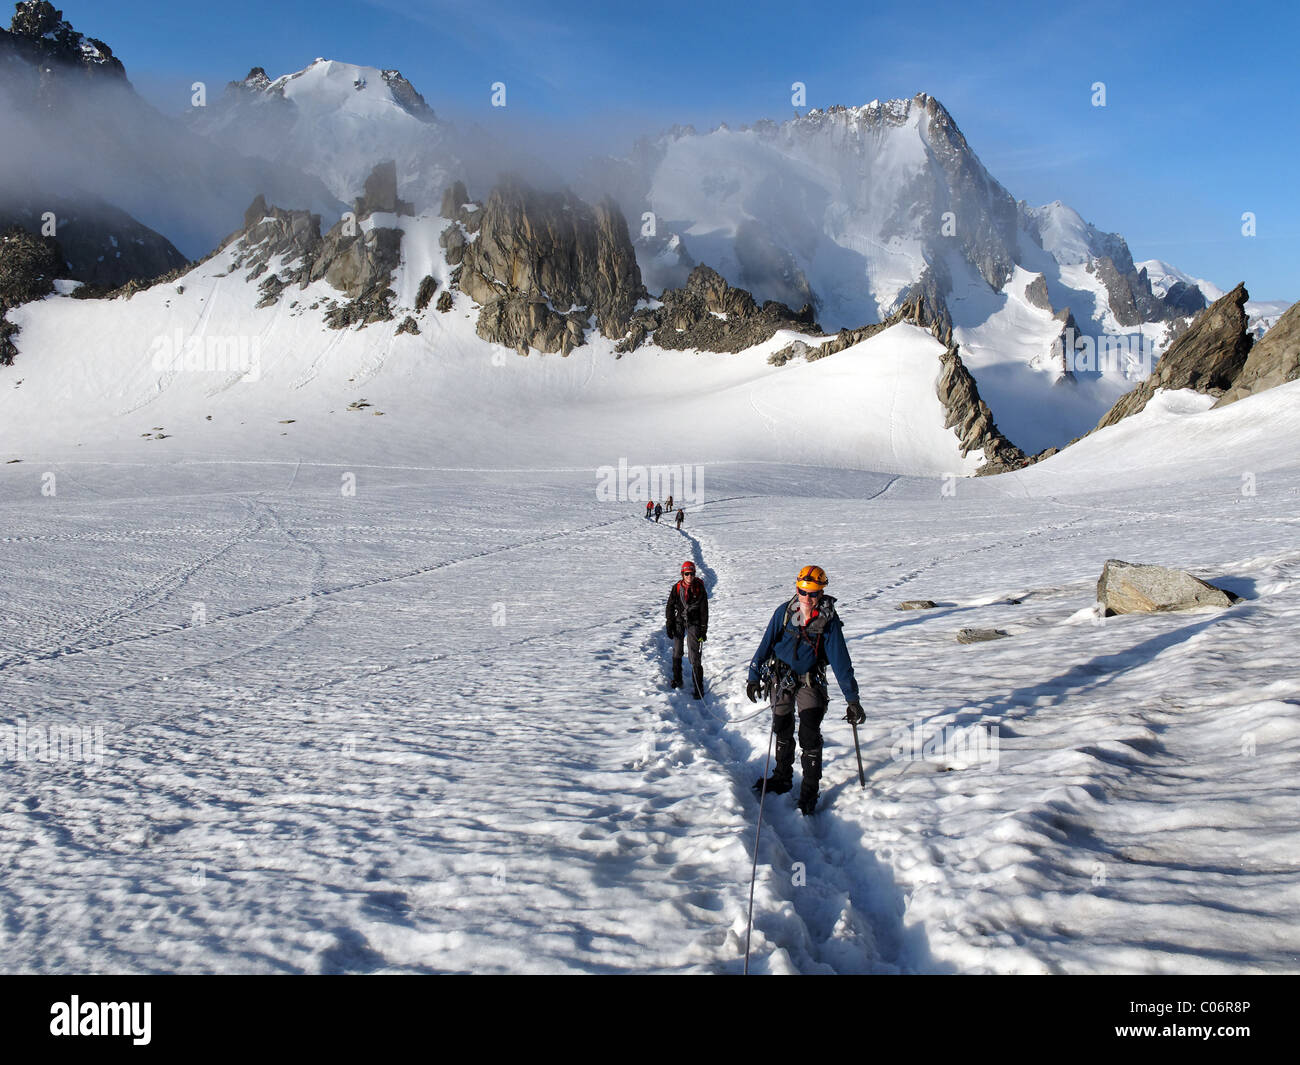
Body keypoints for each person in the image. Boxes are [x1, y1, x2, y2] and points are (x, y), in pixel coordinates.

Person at [745, 565, 865, 815]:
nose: (808, 599)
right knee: (782, 727)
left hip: (811, 680)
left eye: (813, 594)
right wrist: (754, 676)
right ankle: (782, 777)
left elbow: (841, 661)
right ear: (797, 589)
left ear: (822, 593)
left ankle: (809, 792)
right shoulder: (785, 613)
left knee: (809, 733)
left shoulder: (827, 622)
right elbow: (766, 644)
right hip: (781, 677)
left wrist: (852, 699)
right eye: (803, 592)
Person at [665, 560, 708, 698]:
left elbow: (704, 611)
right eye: (687, 574)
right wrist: (669, 623)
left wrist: (703, 630)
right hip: (679, 621)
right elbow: (670, 606)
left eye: (692, 573)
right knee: (677, 650)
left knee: (694, 654)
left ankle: (698, 686)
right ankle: (677, 679)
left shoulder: (699, 589)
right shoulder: (677, 588)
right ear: (682, 574)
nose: (690, 576)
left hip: (694, 622)